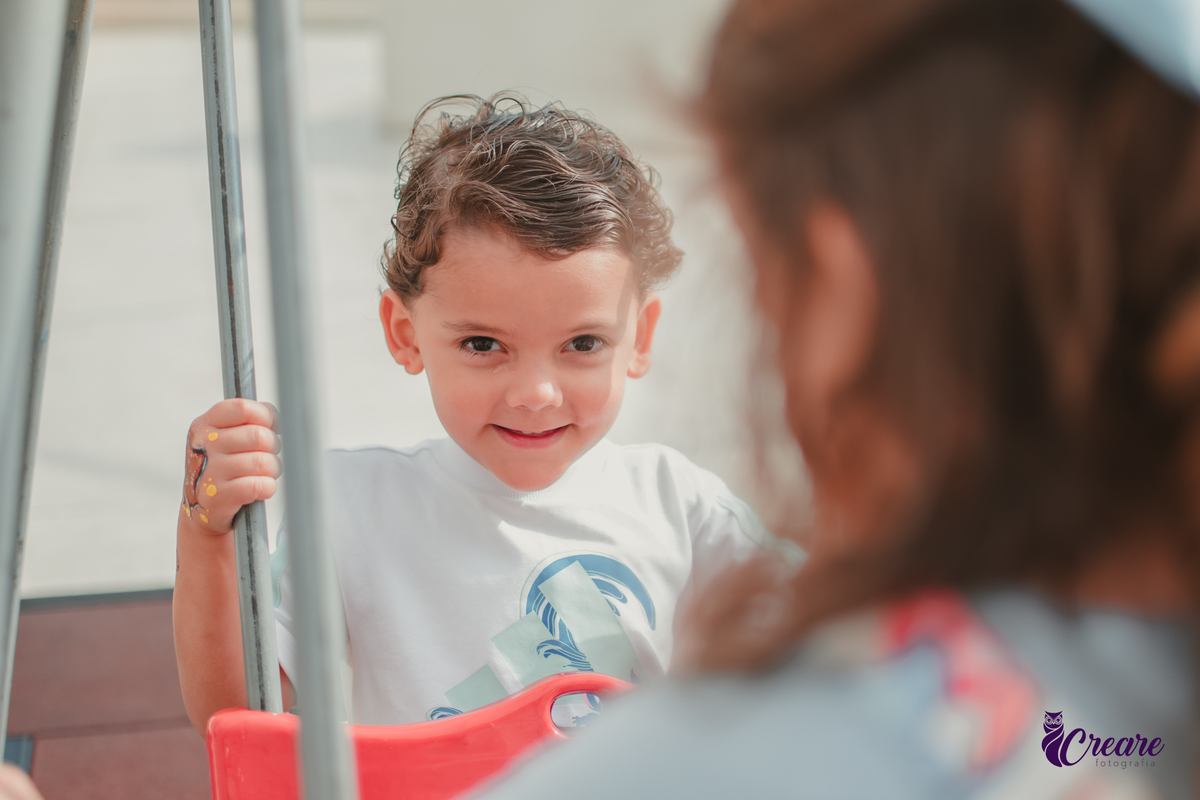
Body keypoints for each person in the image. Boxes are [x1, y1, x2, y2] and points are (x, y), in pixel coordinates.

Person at [470, 1, 1200, 798]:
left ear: (838, 295)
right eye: (483, 343)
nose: (536, 392)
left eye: (763, 279)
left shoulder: (697, 770)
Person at [172, 95, 780, 732]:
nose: (535, 393)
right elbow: (233, 710)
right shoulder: (350, 508)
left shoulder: (677, 504)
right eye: (484, 345)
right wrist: (206, 532)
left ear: (640, 338)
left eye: (582, 344)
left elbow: (837, 639)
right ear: (405, 334)